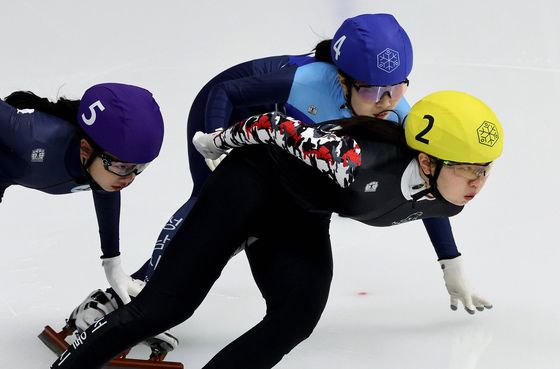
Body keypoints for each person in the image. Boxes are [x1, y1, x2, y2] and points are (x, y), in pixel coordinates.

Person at [68, 14, 469, 346]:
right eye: (375, 90)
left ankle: (148, 292)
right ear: (343, 80)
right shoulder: (307, 81)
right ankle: (118, 300)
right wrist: (218, 147)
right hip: (226, 119)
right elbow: (225, 91)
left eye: (397, 87)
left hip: (280, 148)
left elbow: (425, 185)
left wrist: (449, 259)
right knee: (209, 207)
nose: (387, 101)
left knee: (246, 227)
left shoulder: (400, 115)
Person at [50, 90, 504, 369]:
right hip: (250, 186)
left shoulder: (449, 195)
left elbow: (432, 212)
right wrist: (217, 141)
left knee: (296, 318)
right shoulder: (355, 160)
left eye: (485, 171)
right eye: (469, 171)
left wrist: (451, 263)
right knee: (165, 308)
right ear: (427, 161)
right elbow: (277, 126)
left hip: (300, 215)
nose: (477, 184)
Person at [0, 82, 175, 347]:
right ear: (85, 150)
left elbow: (106, 191)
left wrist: (112, 263)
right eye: (122, 166)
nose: (129, 178)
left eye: (141, 167)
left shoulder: (101, 170)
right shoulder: (31, 135)